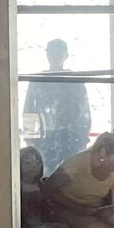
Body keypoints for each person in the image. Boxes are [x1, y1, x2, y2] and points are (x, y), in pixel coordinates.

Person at [24, 38, 90, 173]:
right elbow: (29, 111)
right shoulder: (37, 80)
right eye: (52, 52)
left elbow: (84, 111)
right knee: (45, 176)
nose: (55, 55)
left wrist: (82, 137)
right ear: (47, 54)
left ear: (66, 55)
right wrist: (31, 140)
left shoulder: (75, 80)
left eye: (59, 52)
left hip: (71, 139)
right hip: (44, 141)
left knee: (70, 176)